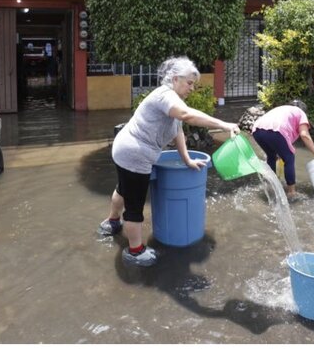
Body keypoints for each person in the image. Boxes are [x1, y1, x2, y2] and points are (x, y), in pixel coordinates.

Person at [98, 56, 239, 267]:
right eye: (189, 83)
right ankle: (135, 250)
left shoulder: (171, 99)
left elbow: (178, 131)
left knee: (123, 188)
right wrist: (224, 124)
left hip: (125, 149)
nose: (192, 88)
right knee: (134, 205)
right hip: (135, 154)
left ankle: (112, 221)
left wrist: (187, 159)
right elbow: (186, 116)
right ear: (175, 79)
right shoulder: (165, 96)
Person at [251, 100, 314, 199]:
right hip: (276, 130)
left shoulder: (283, 109)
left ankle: (270, 186)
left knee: (271, 156)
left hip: (256, 130)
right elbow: (304, 135)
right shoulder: (300, 112)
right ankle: (291, 192)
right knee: (289, 158)